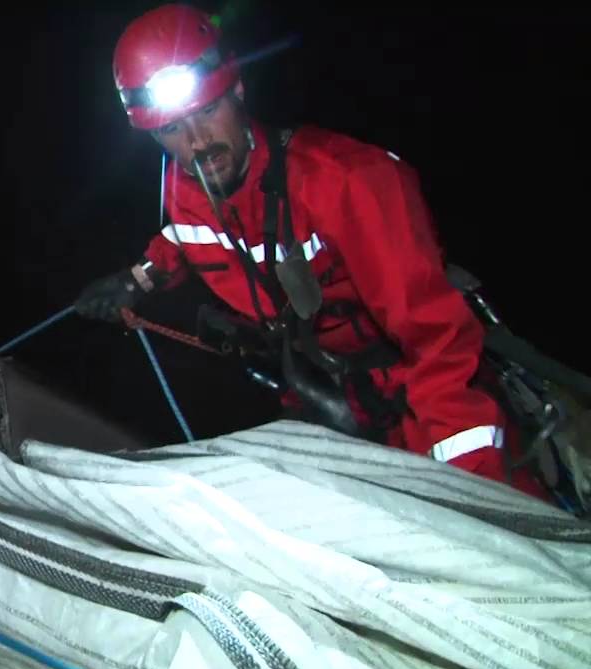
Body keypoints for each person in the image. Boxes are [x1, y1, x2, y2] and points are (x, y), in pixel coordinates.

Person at [74, 4, 549, 500]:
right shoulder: (187, 190)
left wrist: (475, 486)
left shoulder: (346, 182)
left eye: (208, 112)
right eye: (172, 129)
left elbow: (438, 343)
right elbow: (187, 238)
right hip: (326, 405)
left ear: (237, 90)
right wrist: (139, 278)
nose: (197, 143)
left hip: (419, 399)